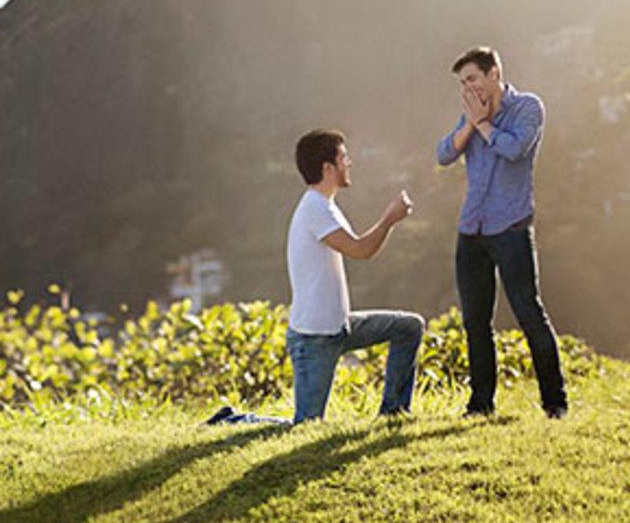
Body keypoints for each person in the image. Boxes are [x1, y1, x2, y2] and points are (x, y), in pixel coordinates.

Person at [209, 129, 424, 425]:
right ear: (327, 168)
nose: (350, 163)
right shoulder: (314, 208)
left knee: (409, 327)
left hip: (340, 326)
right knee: (305, 425)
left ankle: (393, 414)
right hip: (314, 337)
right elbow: (361, 250)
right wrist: (390, 218)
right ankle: (232, 420)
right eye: (344, 157)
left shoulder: (326, 206)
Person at [436, 46, 568, 419]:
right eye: (462, 83)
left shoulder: (527, 107)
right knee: (475, 323)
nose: (468, 88)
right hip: (471, 229)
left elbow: (515, 149)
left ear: (494, 74)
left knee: (529, 313)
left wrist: (482, 125)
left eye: (473, 79)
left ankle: (555, 403)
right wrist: (469, 124)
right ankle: (480, 405)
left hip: (510, 227)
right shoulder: (470, 116)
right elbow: (443, 155)